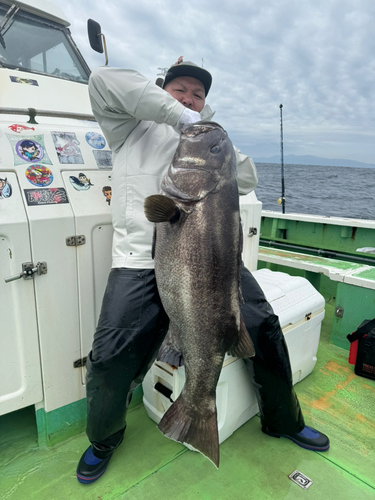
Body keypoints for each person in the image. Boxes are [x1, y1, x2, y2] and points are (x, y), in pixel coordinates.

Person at [76, 58, 329, 484]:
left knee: (263, 327)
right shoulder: (127, 128)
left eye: (199, 94)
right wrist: (182, 118)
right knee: (108, 357)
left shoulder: (213, 139)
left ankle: (283, 418)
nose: (190, 98)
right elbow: (102, 79)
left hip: (211, 264)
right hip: (140, 262)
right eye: (181, 90)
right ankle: (104, 438)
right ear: (162, 90)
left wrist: (210, 136)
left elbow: (247, 177)